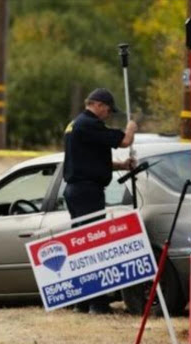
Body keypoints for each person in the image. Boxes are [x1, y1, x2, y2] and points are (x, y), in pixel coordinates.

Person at [63, 88, 137, 314]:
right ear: (98, 105)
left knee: (82, 245)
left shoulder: (76, 125)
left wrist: (122, 166)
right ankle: (97, 303)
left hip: (76, 190)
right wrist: (131, 128)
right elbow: (124, 141)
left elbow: (91, 159)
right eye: (108, 110)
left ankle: (83, 302)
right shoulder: (89, 124)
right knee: (92, 245)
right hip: (87, 192)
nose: (108, 115)